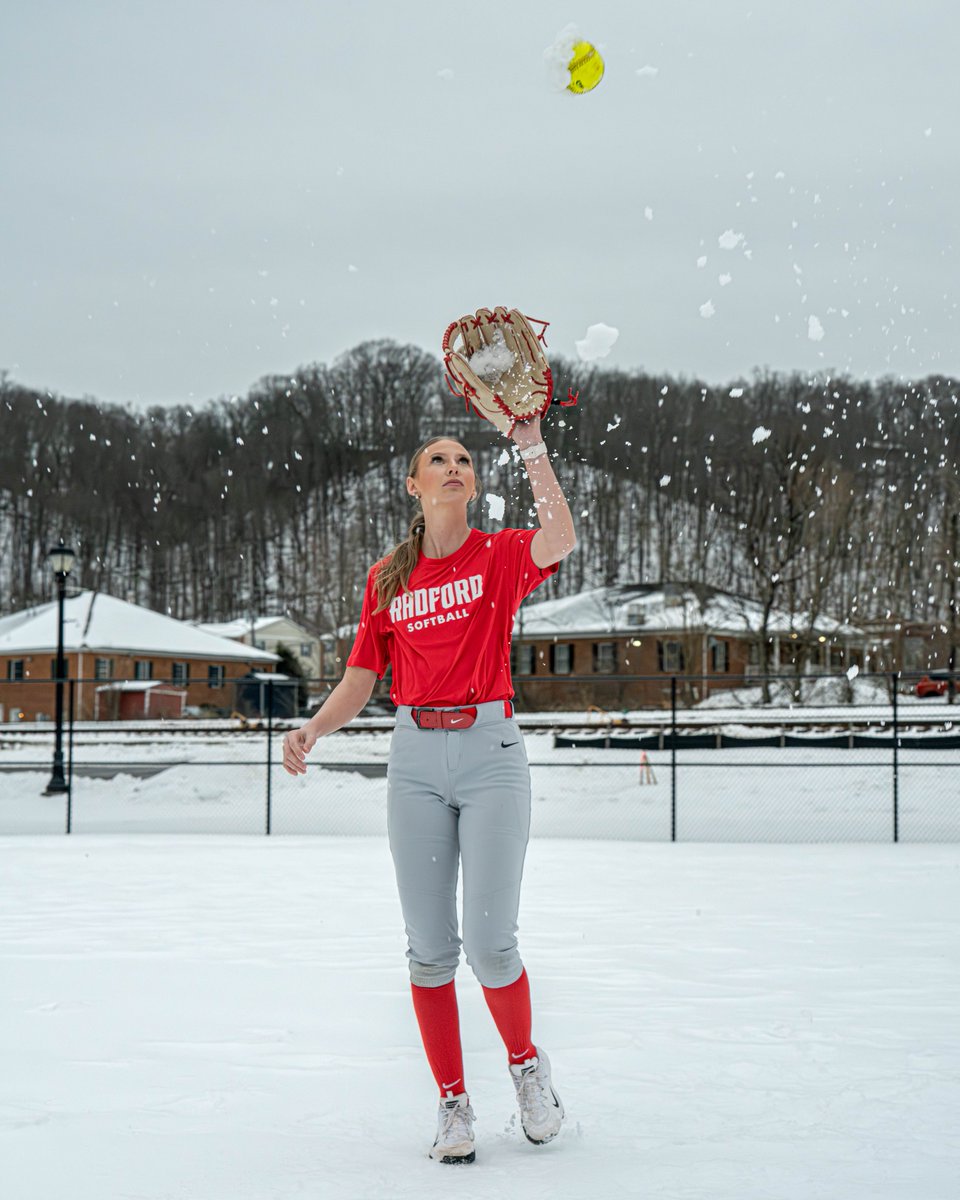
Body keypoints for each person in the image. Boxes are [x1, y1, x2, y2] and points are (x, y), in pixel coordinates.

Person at [282, 414, 576, 1164]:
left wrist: (531, 446)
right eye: (437, 460)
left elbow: (561, 538)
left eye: (463, 460)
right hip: (414, 758)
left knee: (491, 946)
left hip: (490, 752)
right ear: (413, 485)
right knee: (430, 951)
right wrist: (314, 728)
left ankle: (526, 1069)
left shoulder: (498, 556)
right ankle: (452, 1102)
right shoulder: (388, 577)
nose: (453, 466)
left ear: (472, 485)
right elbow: (361, 677)